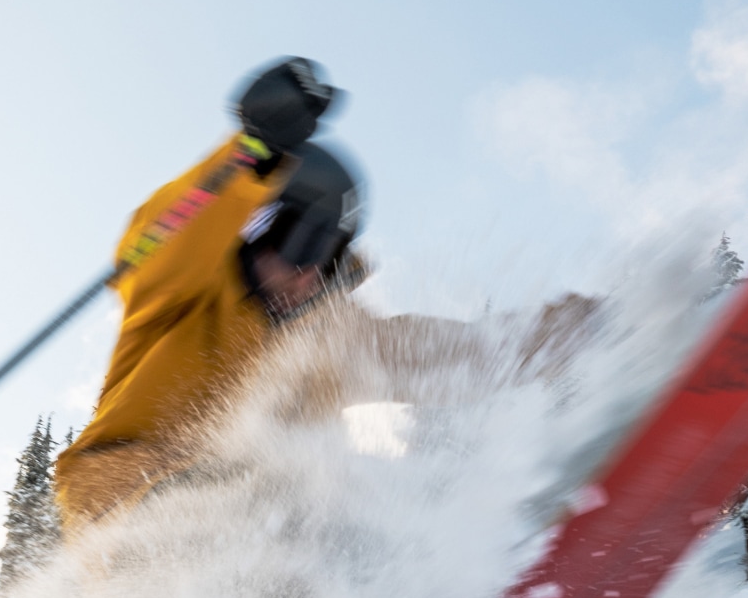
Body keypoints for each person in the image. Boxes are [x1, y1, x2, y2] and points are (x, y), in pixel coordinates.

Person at [54, 56, 595, 533]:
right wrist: (251, 153)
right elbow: (162, 239)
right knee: (270, 494)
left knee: (334, 508)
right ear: (254, 229)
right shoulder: (183, 293)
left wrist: (570, 335)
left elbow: (446, 355)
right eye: (300, 242)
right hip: (125, 500)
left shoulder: (327, 338)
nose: (309, 273)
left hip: (261, 536)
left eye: (329, 254)